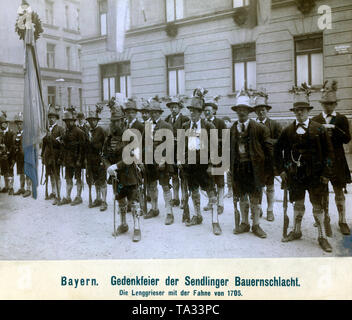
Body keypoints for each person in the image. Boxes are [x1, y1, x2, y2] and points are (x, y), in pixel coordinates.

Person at [275, 85, 334, 252]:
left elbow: (330, 153)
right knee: (298, 204)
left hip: (316, 176)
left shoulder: (319, 129)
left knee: (318, 205)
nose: (299, 113)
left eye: (302, 110)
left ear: (308, 111)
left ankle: (322, 236)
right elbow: (278, 151)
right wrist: (282, 170)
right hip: (295, 175)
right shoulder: (287, 130)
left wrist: (326, 174)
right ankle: (297, 231)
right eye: (296, 110)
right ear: (294, 112)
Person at [230, 91, 273, 239]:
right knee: (242, 196)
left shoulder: (260, 129)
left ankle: (256, 225)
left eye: (244, 109)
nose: (241, 112)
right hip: (239, 169)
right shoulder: (232, 128)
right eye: (239, 109)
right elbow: (230, 151)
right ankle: (244, 223)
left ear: (249, 111)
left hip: (254, 169)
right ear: (236, 112)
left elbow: (269, 152)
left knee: (255, 198)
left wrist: (267, 171)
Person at [312, 80, 351, 236]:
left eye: (331, 104)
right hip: (322, 161)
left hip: (338, 161)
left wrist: (335, 130)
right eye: (326, 104)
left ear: (335, 105)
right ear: (322, 104)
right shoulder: (316, 120)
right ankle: (324, 219)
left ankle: (342, 221)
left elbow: (347, 138)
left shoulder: (341, 119)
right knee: (322, 191)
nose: (328, 106)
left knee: (339, 190)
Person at [181, 89, 221, 235]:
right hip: (190, 163)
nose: (193, 114)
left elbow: (215, 147)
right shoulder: (186, 126)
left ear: (201, 112)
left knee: (211, 192)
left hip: (205, 163)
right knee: (193, 191)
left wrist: (211, 164)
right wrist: (182, 160)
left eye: (196, 111)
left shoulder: (209, 126)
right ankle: (197, 216)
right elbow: (182, 145)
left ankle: (215, 222)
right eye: (191, 111)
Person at [103, 106, 142, 242]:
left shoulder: (131, 136)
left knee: (134, 202)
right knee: (120, 200)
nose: (114, 124)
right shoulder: (109, 138)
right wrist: (109, 167)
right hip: (116, 176)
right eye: (113, 121)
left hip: (129, 174)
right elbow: (104, 155)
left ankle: (137, 228)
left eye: (117, 121)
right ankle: (123, 224)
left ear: (122, 121)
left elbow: (131, 156)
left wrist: (117, 166)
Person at [143, 96, 175, 225]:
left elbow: (170, 145)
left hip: (162, 162)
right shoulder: (147, 125)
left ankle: (169, 212)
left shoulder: (166, 125)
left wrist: (164, 160)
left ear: (159, 113)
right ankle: (154, 209)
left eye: (156, 112)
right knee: (151, 185)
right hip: (150, 161)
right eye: (151, 112)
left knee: (165, 186)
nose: (153, 114)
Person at [253, 91, 282, 222]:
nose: (261, 112)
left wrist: (267, 141)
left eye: (263, 110)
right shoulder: (252, 125)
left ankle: (270, 210)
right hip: (256, 162)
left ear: (267, 110)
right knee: (258, 186)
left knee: (270, 186)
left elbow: (281, 142)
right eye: (258, 110)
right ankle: (258, 208)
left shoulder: (275, 125)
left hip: (269, 160)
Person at [203, 96, 227, 215]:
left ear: (214, 111)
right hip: (205, 157)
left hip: (218, 156)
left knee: (219, 181)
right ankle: (211, 202)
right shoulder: (202, 123)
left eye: (209, 109)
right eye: (205, 110)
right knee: (208, 180)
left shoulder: (220, 122)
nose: (207, 112)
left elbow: (225, 139)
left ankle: (220, 203)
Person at [164, 95, 189, 208]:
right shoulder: (167, 119)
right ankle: (175, 198)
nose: (173, 109)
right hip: (170, 151)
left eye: (175, 107)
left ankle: (184, 198)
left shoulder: (185, 119)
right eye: (171, 107)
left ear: (180, 108)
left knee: (183, 175)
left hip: (181, 150)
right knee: (173, 175)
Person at [57, 108, 86, 206]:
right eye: (66, 121)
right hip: (68, 160)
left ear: (73, 121)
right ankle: (68, 196)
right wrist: (61, 158)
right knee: (68, 178)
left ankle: (78, 196)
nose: (67, 123)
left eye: (69, 121)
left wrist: (80, 160)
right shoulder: (65, 132)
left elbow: (83, 148)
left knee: (78, 178)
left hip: (77, 159)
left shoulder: (79, 132)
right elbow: (64, 146)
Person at [41, 105, 65, 205]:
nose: (51, 119)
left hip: (56, 155)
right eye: (49, 117)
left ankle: (58, 194)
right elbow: (44, 144)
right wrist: (42, 155)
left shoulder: (60, 129)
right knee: (50, 175)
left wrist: (53, 139)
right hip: (47, 156)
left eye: (53, 118)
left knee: (56, 175)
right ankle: (53, 191)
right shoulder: (46, 130)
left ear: (56, 119)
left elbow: (62, 144)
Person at [85, 106, 107, 211]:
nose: (92, 122)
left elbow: (106, 144)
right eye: (90, 120)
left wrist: (104, 157)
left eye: (93, 120)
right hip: (91, 160)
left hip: (100, 159)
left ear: (96, 120)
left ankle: (104, 201)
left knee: (102, 181)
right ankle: (98, 199)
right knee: (95, 181)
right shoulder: (88, 131)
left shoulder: (101, 130)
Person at [13, 112, 32, 197]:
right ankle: (22, 187)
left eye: (20, 124)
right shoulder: (17, 133)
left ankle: (28, 189)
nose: (19, 125)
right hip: (19, 157)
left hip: (27, 156)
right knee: (21, 172)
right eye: (18, 124)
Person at [0, 111, 15, 195]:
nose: (3, 125)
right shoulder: (0, 133)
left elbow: (13, 145)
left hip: (10, 155)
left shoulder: (11, 133)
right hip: (2, 156)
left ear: (7, 124)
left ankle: (11, 187)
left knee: (10, 171)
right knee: (5, 171)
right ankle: (6, 187)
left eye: (4, 123)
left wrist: (9, 152)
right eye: (2, 124)